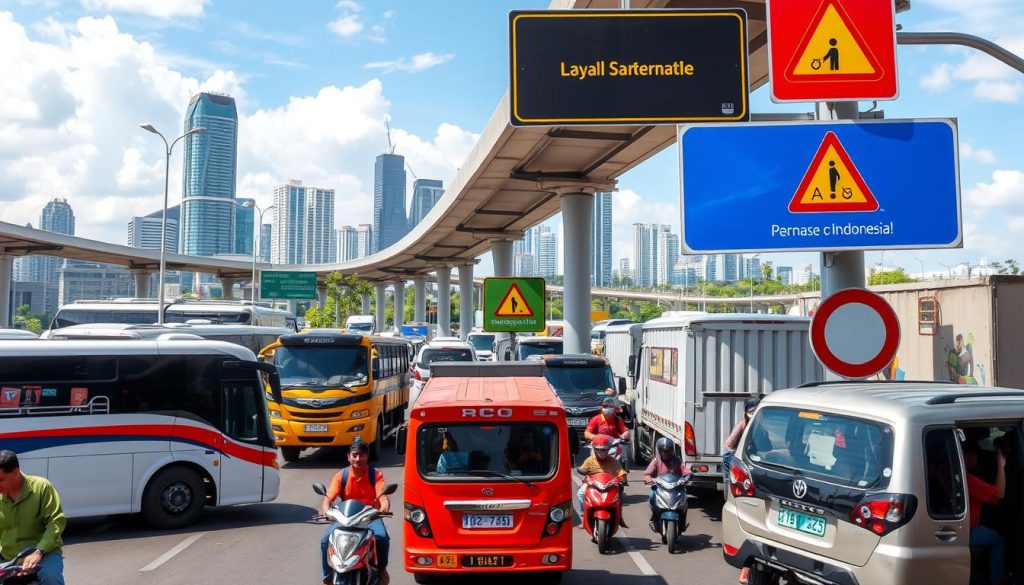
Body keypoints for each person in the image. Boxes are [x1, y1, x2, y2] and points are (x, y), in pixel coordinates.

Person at [320, 441, 391, 585]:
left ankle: (382, 570)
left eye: (362, 455)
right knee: (325, 540)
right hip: (346, 518)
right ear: (348, 457)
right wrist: (326, 509)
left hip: (369, 517)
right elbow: (329, 496)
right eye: (355, 455)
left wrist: (384, 507)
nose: (358, 459)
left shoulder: (375, 475)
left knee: (382, 538)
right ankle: (327, 576)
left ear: (367, 456)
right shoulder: (342, 475)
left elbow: (383, 496)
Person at [0, 450, 66, 585]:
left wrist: (38, 552)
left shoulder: (42, 487)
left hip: (44, 555)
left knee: (51, 579)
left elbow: (55, 523)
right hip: (8, 558)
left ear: (16, 472)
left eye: (0, 480)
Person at [723, 397, 759, 585]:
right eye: (751, 412)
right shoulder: (741, 426)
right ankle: (745, 573)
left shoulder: (761, 427)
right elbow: (728, 446)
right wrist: (736, 463)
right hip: (740, 469)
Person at [964, 442, 1007, 585]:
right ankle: (997, 580)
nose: (978, 458)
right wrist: (1001, 463)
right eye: (975, 454)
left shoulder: (943, 470)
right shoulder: (968, 480)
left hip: (959, 526)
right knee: (997, 541)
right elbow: (999, 494)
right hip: (968, 530)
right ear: (966, 456)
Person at [575, 435, 628, 526]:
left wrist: (622, 478)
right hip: (592, 484)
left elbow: (620, 471)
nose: (602, 452)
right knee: (580, 493)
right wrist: (582, 470)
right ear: (594, 449)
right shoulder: (590, 460)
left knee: (619, 498)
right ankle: (584, 516)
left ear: (608, 450)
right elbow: (583, 468)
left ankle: (618, 517)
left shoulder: (613, 461)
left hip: (610, 485)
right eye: (599, 450)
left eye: (604, 450)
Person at [644, 437, 692, 532]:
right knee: (651, 497)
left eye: (667, 451)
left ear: (672, 450)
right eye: (663, 451)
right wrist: (649, 480)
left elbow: (686, 471)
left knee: (685, 501)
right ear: (659, 451)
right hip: (660, 488)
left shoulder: (677, 460)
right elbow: (647, 474)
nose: (665, 453)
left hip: (676, 488)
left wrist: (688, 477)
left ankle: (682, 522)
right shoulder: (656, 461)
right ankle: (655, 519)